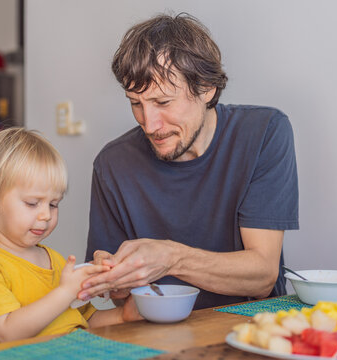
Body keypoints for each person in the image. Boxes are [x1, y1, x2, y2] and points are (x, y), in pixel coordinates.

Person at [80, 13, 299, 310]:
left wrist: (172, 258)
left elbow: (262, 275)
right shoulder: (112, 164)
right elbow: (119, 296)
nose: (150, 124)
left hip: (250, 325)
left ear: (206, 88)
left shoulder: (264, 133)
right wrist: (116, 280)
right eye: (136, 103)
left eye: (163, 102)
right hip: (155, 332)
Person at [0, 127, 141, 345]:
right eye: (32, 203)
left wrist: (124, 316)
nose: (46, 215)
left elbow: (85, 320)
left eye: (54, 204)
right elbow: (8, 333)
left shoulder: (55, 261)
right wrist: (66, 292)